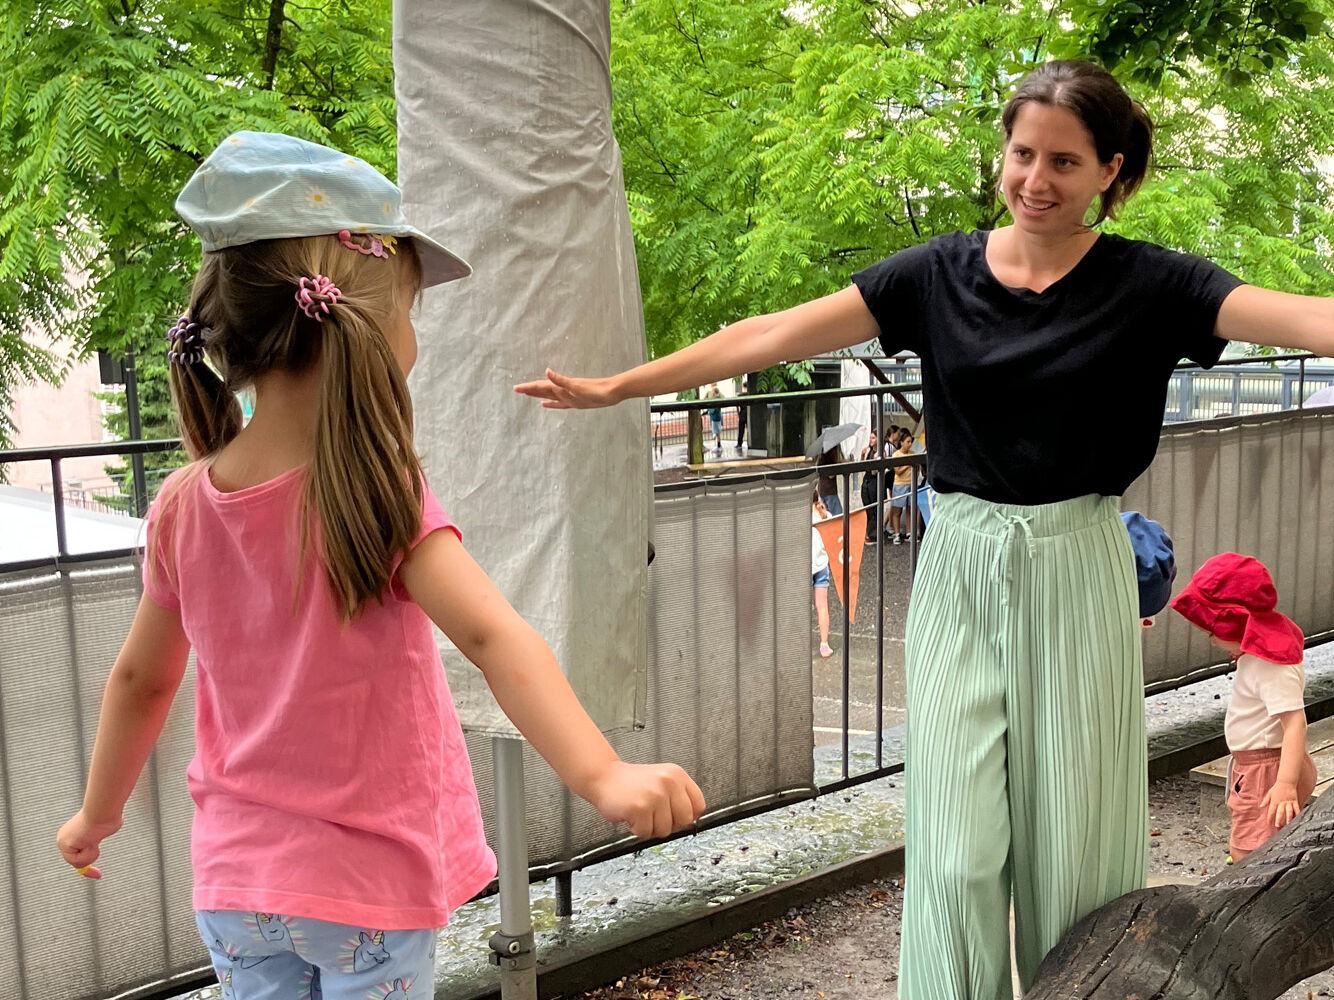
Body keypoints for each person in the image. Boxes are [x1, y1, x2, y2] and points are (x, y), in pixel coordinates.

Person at [515, 58, 1334, 998]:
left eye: (1064, 162)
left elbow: (1305, 318)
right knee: (954, 848)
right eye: (1022, 154)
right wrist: (624, 387)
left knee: (1078, 848)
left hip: (1078, 564)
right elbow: (772, 333)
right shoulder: (937, 273)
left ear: (1111, 170)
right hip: (960, 564)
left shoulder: (1152, 284)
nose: (1035, 180)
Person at [55, 132, 706, 1000]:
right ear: (357, 327)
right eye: (408, 311)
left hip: (237, 884)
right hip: (366, 885)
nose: (413, 337)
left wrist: (98, 813)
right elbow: (493, 637)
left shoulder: (180, 505)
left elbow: (141, 679)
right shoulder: (374, 489)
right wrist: (603, 773)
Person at [1170, 553, 1318, 863]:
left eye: (1213, 631)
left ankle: (1247, 882)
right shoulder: (1262, 654)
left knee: (1248, 850)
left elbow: (1295, 723)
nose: (1211, 640)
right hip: (1265, 764)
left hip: (1267, 769)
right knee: (1267, 840)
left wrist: (1285, 784)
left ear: (1237, 624)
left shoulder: (1269, 665)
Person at [811, 492, 833, 658]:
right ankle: (824, 644)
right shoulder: (826, 515)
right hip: (822, 565)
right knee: (822, 606)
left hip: (802, 567)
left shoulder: (797, 517)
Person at [816, 445, 844, 516]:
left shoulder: (821, 457)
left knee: (828, 515)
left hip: (822, 490)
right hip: (830, 491)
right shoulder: (830, 457)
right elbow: (831, 475)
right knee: (838, 516)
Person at [704, 382, 724, 453]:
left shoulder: (716, 400)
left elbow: (714, 409)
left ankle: (718, 446)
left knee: (717, 432)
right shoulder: (716, 397)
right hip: (715, 417)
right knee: (716, 432)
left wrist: (709, 411)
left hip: (715, 418)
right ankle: (717, 445)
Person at [735, 376, 750, 453]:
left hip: (742, 413)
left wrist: (738, 413)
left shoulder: (739, 396)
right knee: (749, 429)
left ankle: (739, 443)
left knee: (741, 429)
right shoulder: (749, 395)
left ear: (743, 387)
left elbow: (737, 406)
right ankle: (750, 443)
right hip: (749, 413)